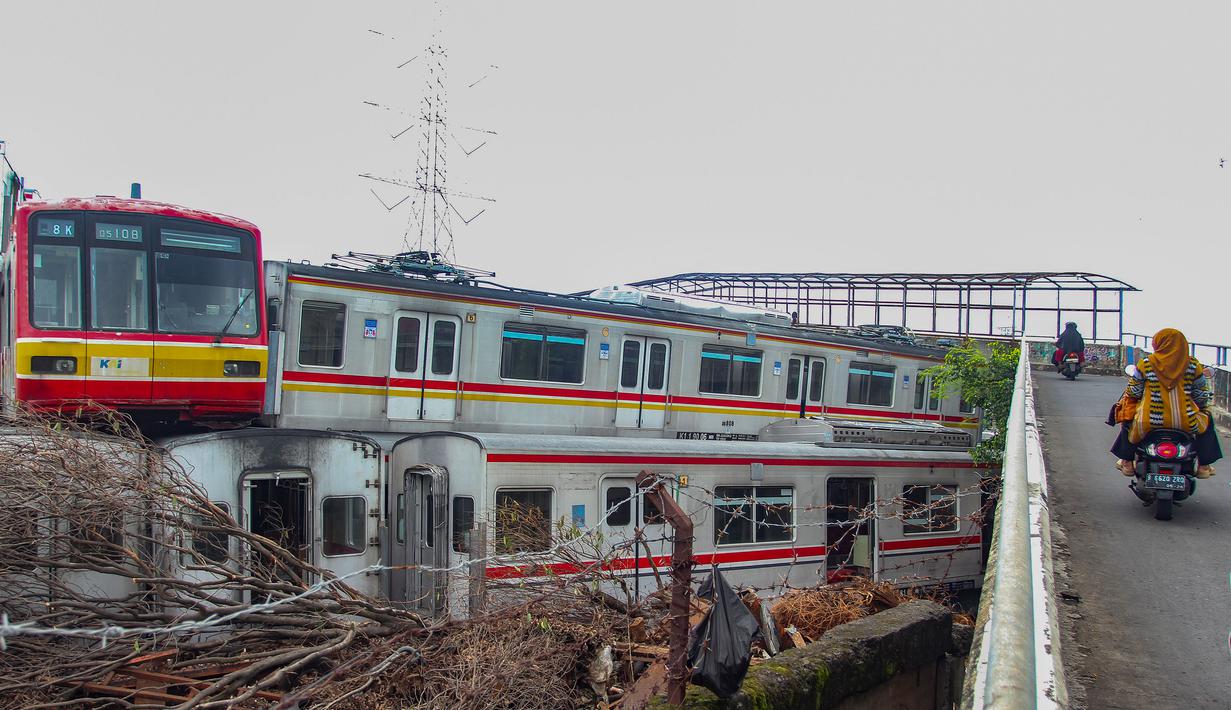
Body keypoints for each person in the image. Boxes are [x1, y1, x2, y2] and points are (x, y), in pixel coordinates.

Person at [1111, 328, 1221, 478]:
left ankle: (1127, 463)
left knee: (1127, 419)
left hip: (1148, 422)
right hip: (1186, 422)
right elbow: (1200, 396)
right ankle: (1203, 466)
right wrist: (1202, 407)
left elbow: (1134, 392)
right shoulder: (1193, 366)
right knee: (1207, 420)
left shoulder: (1146, 364)